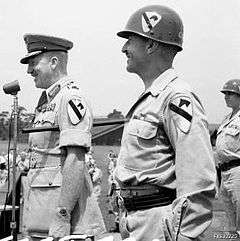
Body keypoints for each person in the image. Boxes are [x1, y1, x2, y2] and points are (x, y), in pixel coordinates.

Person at [114, 5, 217, 241]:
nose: (124, 48)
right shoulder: (152, 98)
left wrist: (185, 235)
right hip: (137, 219)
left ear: (150, 44)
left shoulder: (177, 97)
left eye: (130, 40)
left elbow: (198, 179)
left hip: (159, 222)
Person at [20, 34, 105, 240]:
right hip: (41, 214)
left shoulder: (70, 98)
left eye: (33, 63)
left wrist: (62, 216)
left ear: (54, 62)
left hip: (65, 223)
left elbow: (75, 159)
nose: (29, 71)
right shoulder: (47, 101)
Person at [215, 79, 240, 231]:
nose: (226, 96)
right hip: (224, 172)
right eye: (225, 93)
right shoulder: (226, 119)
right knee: (231, 220)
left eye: (230, 93)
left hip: (238, 170)